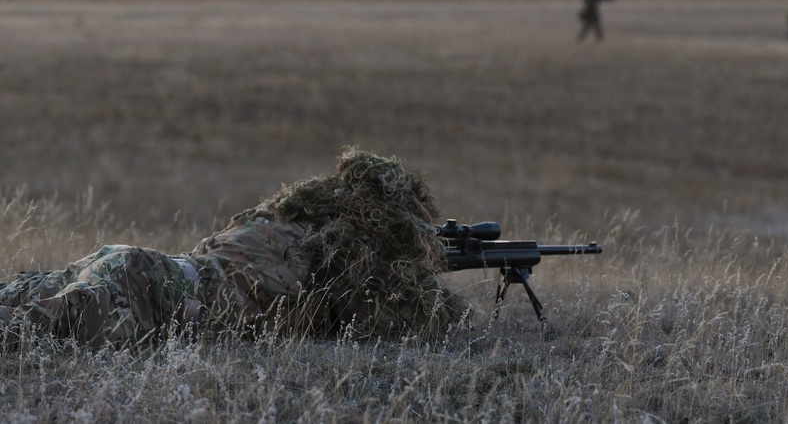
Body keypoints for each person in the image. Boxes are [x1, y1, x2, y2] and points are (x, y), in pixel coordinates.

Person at [0, 148, 463, 348]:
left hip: (137, 267)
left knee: (23, 297)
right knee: (31, 329)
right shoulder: (337, 266)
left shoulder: (276, 219)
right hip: (148, 293)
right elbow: (389, 318)